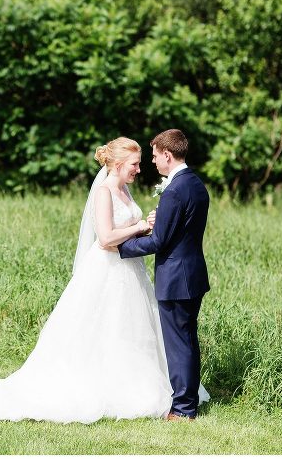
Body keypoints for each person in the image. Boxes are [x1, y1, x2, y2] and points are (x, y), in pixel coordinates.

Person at [0, 137, 208, 424]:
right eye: (134, 164)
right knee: (104, 329)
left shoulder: (125, 189)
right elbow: (105, 238)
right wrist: (140, 226)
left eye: (141, 162)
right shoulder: (103, 192)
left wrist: (148, 227)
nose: (140, 169)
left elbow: (130, 230)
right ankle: (112, 389)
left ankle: (147, 389)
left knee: (133, 331)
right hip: (108, 269)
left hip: (131, 271)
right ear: (117, 164)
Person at [118, 129, 210, 421]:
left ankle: (183, 409)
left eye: (156, 155)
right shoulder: (195, 184)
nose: (153, 161)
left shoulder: (173, 191)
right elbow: (180, 229)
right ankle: (188, 401)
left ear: (168, 155)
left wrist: (122, 247)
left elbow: (158, 242)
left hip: (176, 278)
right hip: (193, 274)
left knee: (179, 344)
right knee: (188, 340)